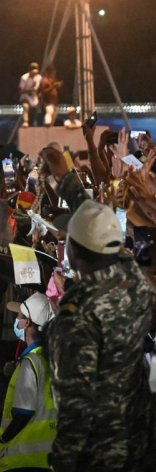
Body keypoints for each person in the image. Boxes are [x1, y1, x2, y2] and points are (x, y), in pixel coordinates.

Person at [46, 201, 154, 472]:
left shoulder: (77, 314)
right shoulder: (137, 285)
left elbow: (76, 402)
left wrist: (63, 460)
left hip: (97, 456)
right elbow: (111, 247)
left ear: (73, 250)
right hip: (140, 446)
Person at [0, 292, 58, 472]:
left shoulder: (31, 363)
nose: (16, 320)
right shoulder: (52, 358)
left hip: (23, 456)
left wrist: (4, 440)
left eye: (19, 316)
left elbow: (24, 412)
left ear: (28, 322)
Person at [19, 62, 41, 128]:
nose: (34, 75)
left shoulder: (39, 77)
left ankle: (32, 125)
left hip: (34, 99)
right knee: (26, 107)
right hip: (25, 97)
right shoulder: (24, 78)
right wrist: (29, 90)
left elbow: (39, 88)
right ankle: (25, 121)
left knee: (34, 114)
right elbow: (20, 91)